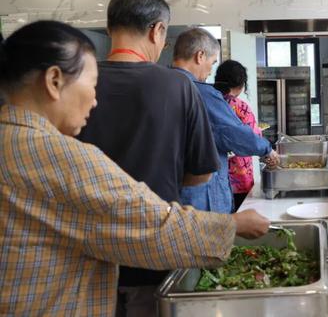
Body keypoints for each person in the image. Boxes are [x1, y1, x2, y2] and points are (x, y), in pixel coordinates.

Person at [0, 20, 270, 316]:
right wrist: (233, 225)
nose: (95, 100)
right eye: (91, 84)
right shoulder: (56, 156)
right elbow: (153, 226)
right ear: (54, 80)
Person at [77, 0, 223, 315]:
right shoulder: (178, 86)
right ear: (157, 31)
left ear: (109, 28)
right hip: (152, 251)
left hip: (87, 257)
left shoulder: (77, 83)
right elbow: (201, 173)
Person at [172, 28, 279, 214]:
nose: (209, 71)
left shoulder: (155, 86)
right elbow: (235, 134)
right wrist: (267, 150)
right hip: (200, 198)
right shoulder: (202, 93)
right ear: (200, 56)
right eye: (212, 62)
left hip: (167, 193)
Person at [214, 60, 263, 210]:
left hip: (213, 178)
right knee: (240, 219)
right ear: (241, 85)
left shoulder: (208, 102)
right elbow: (253, 139)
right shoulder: (241, 107)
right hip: (240, 178)